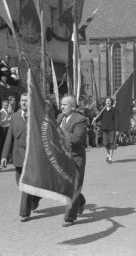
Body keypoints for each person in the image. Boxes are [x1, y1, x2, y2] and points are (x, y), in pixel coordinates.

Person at [1, 93, 41, 221]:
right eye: (22, 100)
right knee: (19, 183)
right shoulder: (14, 116)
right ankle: (35, 197)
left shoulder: (35, 117)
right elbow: (9, 137)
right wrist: (4, 156)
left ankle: (24, 212)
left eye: (27, 101)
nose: (24, 103)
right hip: (17, 155)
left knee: (25, 185)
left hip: (30, 155)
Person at [57, 95, 88, 227]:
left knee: (75, 186)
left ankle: (69, 217)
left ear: (73, 107)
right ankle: (80, 201)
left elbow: (76, 139)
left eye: (65, 104)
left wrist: (61, 132)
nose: (62, 107)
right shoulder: (59, 118)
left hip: (76, 158)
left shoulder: (80, 120)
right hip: (63, 158)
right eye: (61, 104)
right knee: (65, 186)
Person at [92, 97, 119, 164]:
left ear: (111, 102)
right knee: (105, 143)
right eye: (106, 101)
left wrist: (117, 129)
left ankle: (110, 158)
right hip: (104, 128)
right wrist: (95, 119)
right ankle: (108, 154)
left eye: (109, 101)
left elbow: (116, 120)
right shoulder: (103, 110)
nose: (107, 102)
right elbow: (99, 118)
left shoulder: (114, 109)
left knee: (111, 143)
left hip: (112, 129)